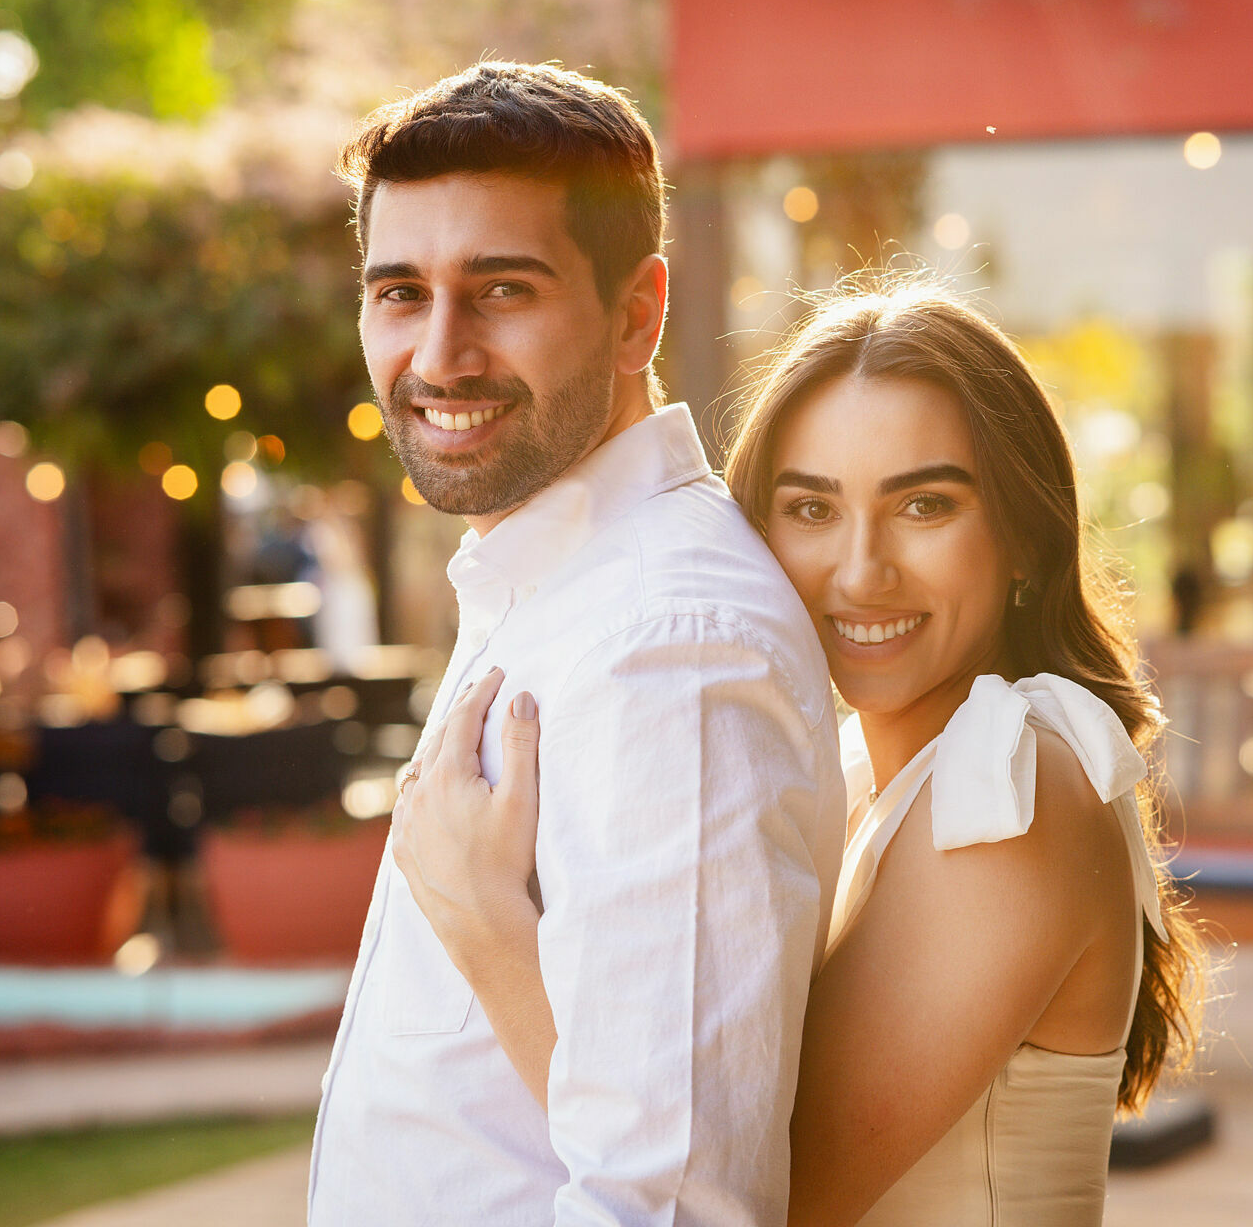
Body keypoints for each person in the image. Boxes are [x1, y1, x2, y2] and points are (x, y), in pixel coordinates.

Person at [395, 283, 1209, 1225]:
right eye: (812, 511)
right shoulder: (866, 777)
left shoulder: (1014, 790)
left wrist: (488, 927)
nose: (862, 572)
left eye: (925, 506)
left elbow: (753, 1202)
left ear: (1025, 535)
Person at [308, 61, 848, 1226]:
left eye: (501, 289)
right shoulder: (552, 588)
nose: (439, 356)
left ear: (637, 313)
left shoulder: (669, 646)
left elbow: (668, 1206)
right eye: (399, 291)